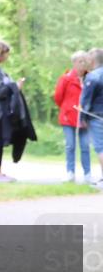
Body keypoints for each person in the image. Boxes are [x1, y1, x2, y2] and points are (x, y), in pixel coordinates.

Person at [0, 41, 36, 181]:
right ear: (0, 53)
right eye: (6, 54)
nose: (7, 57)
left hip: (0, 111)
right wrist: (15, 86)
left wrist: (15, 86)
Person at [53, 51, 93, 183]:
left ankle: (87, 174)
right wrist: (68, 108)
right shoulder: (66, 79)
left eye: (85, 61)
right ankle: (70, 172)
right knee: (70, 145)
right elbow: (58, 97)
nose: (83, 64)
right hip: (68, 117)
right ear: (74, 63)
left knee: (85, 146)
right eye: (80, 61)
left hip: (85, 118)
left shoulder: (90, 78)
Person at [79, 48, 103, 188]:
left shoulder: (93, 77)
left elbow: (86, 102)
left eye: (88, 59)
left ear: (93, 60)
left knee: (101, 148)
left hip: (97, 117)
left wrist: (82, 118)